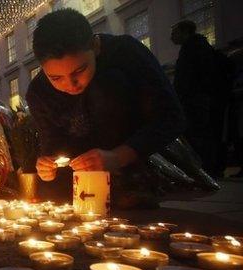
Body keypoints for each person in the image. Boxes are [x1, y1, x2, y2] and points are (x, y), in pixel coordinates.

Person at [26, 9, 185, 207]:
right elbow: (52, 141)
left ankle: (132, 183)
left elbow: (171, 117)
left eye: (80, 70)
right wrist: (47, 164)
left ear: (95, 46)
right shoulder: (38, 91)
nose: (71, 84)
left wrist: (118, 157)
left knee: (108, 83)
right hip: (79, 177)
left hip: (137, 164)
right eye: (56, 78)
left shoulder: (126, 53)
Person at [171, 20, 233, 178]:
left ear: (185, 31)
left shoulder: (194, 48)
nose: (171, 36)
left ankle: (206, 169)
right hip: (199, 100)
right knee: (201, 134)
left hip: (197, 101)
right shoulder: (196, 47)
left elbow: (189, 79)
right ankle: (208, 168)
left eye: (175, 32)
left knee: (199, 135)